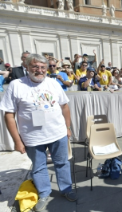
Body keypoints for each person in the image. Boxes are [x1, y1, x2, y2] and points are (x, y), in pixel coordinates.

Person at [0, 54, 77, 211]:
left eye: (43, 67)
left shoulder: (54, 83)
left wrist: (67, 128)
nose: (39, 70)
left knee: (62, 163)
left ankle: (66, 189)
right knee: (38, 167)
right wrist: (17, 141)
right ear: (27, 67)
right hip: (33, 138)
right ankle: (44, 193)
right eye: (35, 66)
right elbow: (9, 114)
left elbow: (64, 106)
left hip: (57, 133)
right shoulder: (16, 85)